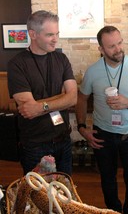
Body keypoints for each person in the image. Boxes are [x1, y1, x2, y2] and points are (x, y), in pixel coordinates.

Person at [75, 26, 128, 214]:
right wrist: (81, 127)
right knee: (107, 179)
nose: (118, 48)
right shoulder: (93, 71)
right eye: (111, 46)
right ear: (101, 49)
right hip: (102, 135)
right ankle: (113, 211)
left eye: (120, 43)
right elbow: (81, 98)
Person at [7, 10, 77, 175]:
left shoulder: (62, 59)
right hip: (35, 145)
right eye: (50, 35)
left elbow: (73, 98)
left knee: (64, 194)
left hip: (63, 141)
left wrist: (41, 105)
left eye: (57, 34)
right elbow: (28, 110)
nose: (56, 39)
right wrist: (62, 97)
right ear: (33, 34)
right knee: (39, 196)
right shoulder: (17, 64)